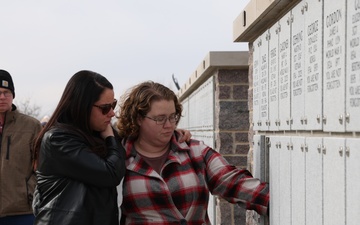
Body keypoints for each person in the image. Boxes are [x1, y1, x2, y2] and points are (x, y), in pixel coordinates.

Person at [117, 81, 269, 225]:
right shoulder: (119, 159)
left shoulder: (195, 152)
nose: (169, 125)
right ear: (138, 118)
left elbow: (233, 182)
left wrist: (276, 199)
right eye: (160, 119)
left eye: (172, 116)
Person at [32, 70, 126, 225]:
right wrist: (110, 138)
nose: (112, 113)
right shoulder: (57, 139)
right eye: (105, 107)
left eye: (113, 104)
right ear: (82, 106)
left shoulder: (96, 134)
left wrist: (174, 136)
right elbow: (110, 173)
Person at [0, 69, 42, 224]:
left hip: (22, 211)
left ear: (13, 95)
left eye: (6, 92)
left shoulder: (31, 126)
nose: (2, 97)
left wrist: (29, 191)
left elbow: (44, 165)